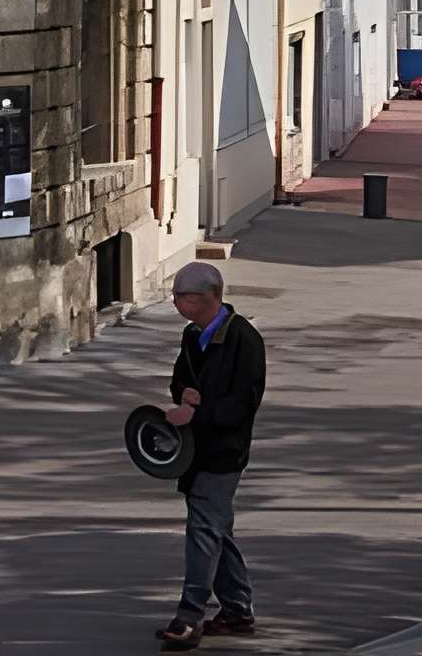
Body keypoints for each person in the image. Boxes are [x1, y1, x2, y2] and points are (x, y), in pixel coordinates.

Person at [154, 262, 267, 646]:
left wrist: (196, 414)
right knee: (216, 528)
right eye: (175, 297)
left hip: (224, 452)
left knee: (203, 530)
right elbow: (180, 379)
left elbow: (243, 405)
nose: (177, 304)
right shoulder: (192, 336)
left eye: (183, 297)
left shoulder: (243, 340)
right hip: (194, 449)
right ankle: (237, 610)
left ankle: (189, 616)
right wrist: (182, 392)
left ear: (209, 297)